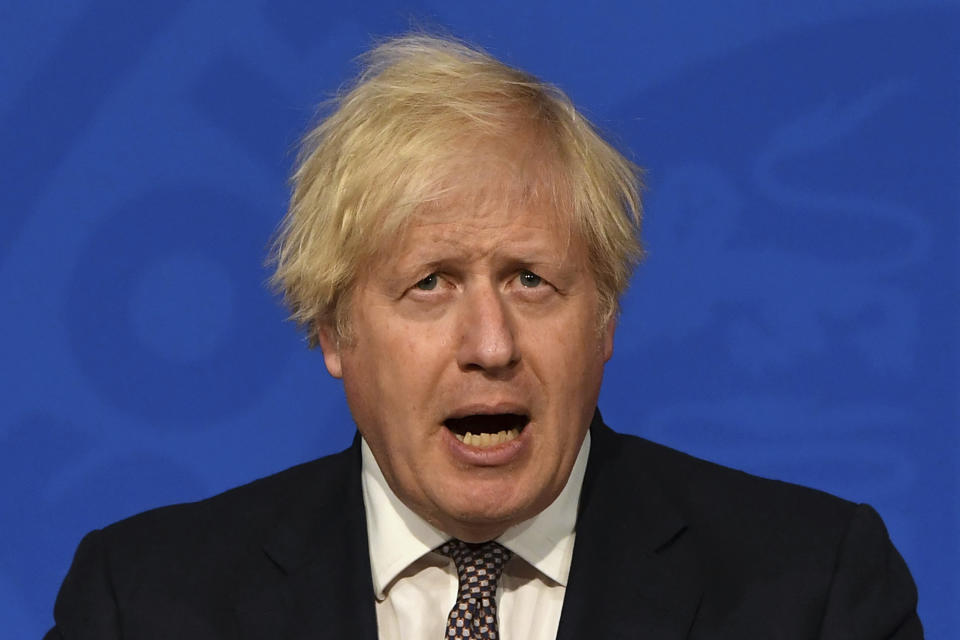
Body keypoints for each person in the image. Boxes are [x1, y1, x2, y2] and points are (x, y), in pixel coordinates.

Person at [46, 34, 922, 639]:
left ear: (606, 317)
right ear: (334, 329)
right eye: (430, 284)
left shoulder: (815, 591)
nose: (491, 344)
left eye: (531, 281)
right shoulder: (148, 602)